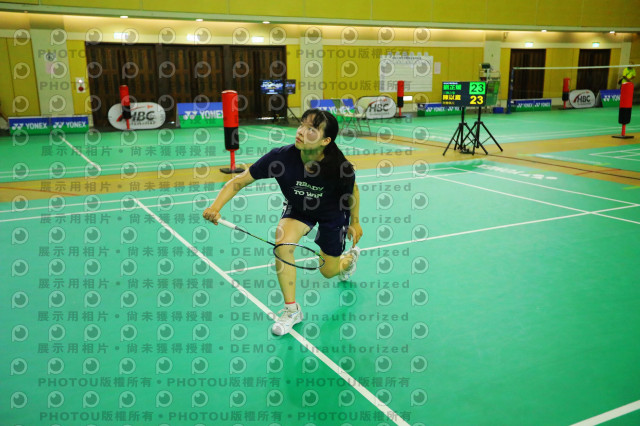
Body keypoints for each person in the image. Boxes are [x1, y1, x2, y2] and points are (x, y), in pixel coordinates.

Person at [203, 109, 363, 335]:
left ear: (326, 140)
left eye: (311, 129)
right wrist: (215, 207)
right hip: (299, 208)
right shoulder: (280, 158)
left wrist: (355, 222)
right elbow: (240, 180)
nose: (301, 131)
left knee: (328, 272)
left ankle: (348, 260)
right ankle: (292, 310)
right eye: (302, 125)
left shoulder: (339, 167)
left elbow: (353, 191)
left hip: (332, 213)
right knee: (282, 245)